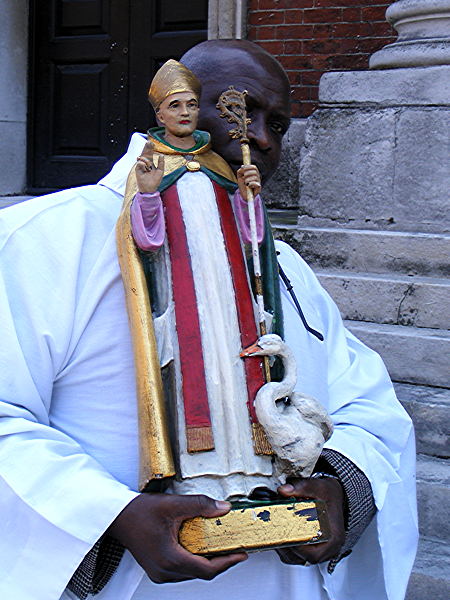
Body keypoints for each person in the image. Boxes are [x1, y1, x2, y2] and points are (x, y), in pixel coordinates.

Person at [0, 40, 417, 600]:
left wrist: (341, 485)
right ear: (178, 110)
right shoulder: (46, 239)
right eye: (237, 111)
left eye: (279, 125)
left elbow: (366, 400)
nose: (262, 139)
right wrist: (107, 517)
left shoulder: (283, 262)